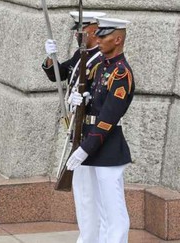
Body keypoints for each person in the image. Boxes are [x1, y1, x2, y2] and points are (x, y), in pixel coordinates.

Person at [65, 17, 135, 243]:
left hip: (107, 148)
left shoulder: (121, 73)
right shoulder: (99, 68)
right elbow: (94, 104)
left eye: (104, 36)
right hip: (88, 143)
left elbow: (108, 118)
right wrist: (81, 101)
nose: (99, 39)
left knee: (111, 210)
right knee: (86, 203)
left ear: (117, 39)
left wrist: (86, 148)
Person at [43, 11, 106, 99]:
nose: (77, 34)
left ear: (94, 32)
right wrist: (50, 57)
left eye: (81, 30)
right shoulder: (79, 53)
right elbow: (58, 74)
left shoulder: (102, 59)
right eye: (77, 30)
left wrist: (87, 100)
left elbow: (102, 95)